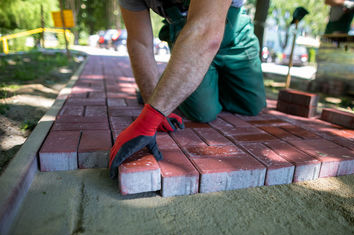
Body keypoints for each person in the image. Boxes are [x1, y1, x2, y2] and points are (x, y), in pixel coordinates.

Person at [109, 0, 266, 177]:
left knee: (252, 106)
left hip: (234, 34)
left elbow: (206, 29)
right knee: (204, 114)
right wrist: (151, 102)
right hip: (188, 38)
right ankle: (176, 85)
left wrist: (149, 119)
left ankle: (183, 83)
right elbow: (140, 42)